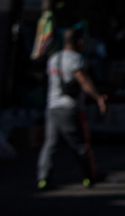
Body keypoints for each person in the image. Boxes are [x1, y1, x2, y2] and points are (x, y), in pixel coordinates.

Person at [37, 27, 108, 190]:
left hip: (52, 107)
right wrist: (98, 98)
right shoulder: (76, 59)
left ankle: (43, 178)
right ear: (79, 42)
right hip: (69, 108)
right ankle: (90, 175)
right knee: (81, 145)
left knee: (50, 144)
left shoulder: (53, 58)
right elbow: (83, 81)